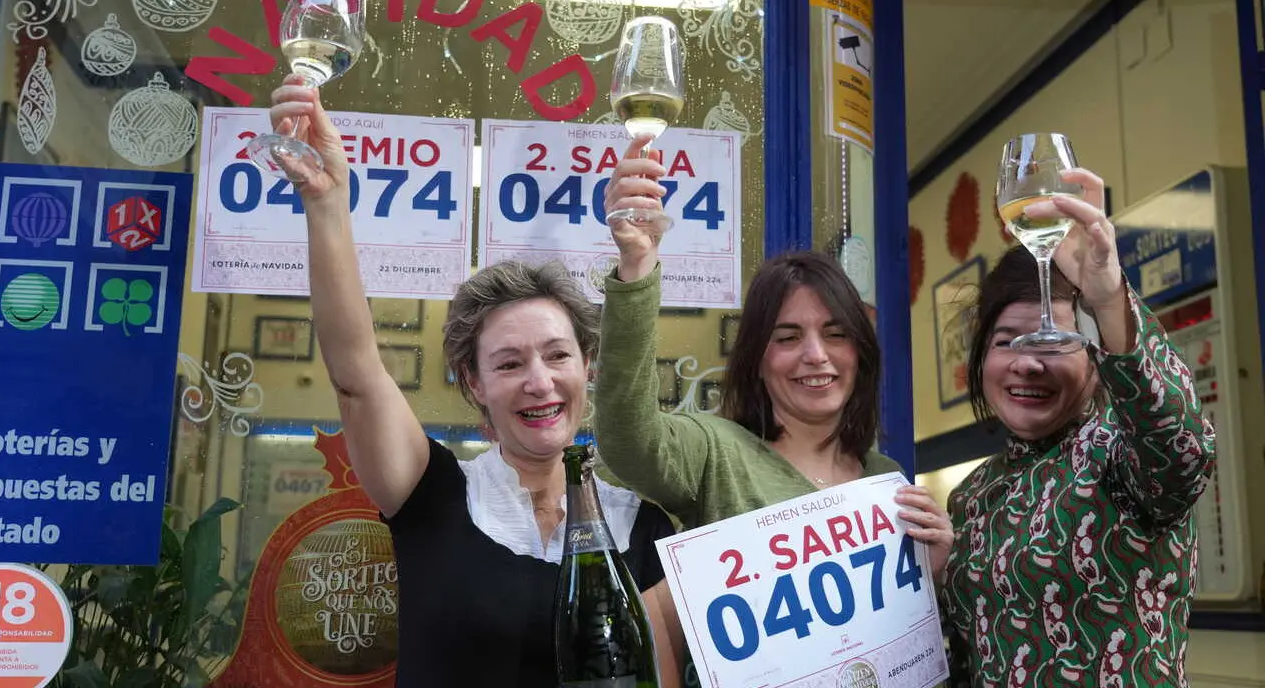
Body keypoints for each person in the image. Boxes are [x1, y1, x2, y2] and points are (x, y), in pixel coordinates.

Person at [268, 76, 682, 687]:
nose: (538, 381)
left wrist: (638, 259)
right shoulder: (432, 494)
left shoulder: (642, 526)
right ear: (474, 383)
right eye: (509, 364)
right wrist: (326, 203)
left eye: (557, 356)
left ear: (588, 368)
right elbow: (355, 375)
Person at [591, 135, 954, 679]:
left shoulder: (886, 480)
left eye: (835, 334)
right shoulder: (717, 451)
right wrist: (637, 266)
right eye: (787, 338)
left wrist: (935, 569)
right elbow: (626, 435)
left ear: (860, 350)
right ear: (757, 359)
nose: (815, 355)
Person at [939, 168, 1216, 686]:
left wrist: (1108, 301)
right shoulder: (971, 494)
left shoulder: (1123, 452)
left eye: (1053, 341)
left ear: (1095, 357)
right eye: (1006, 341)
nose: (1027, 362)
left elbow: (1183, 446)